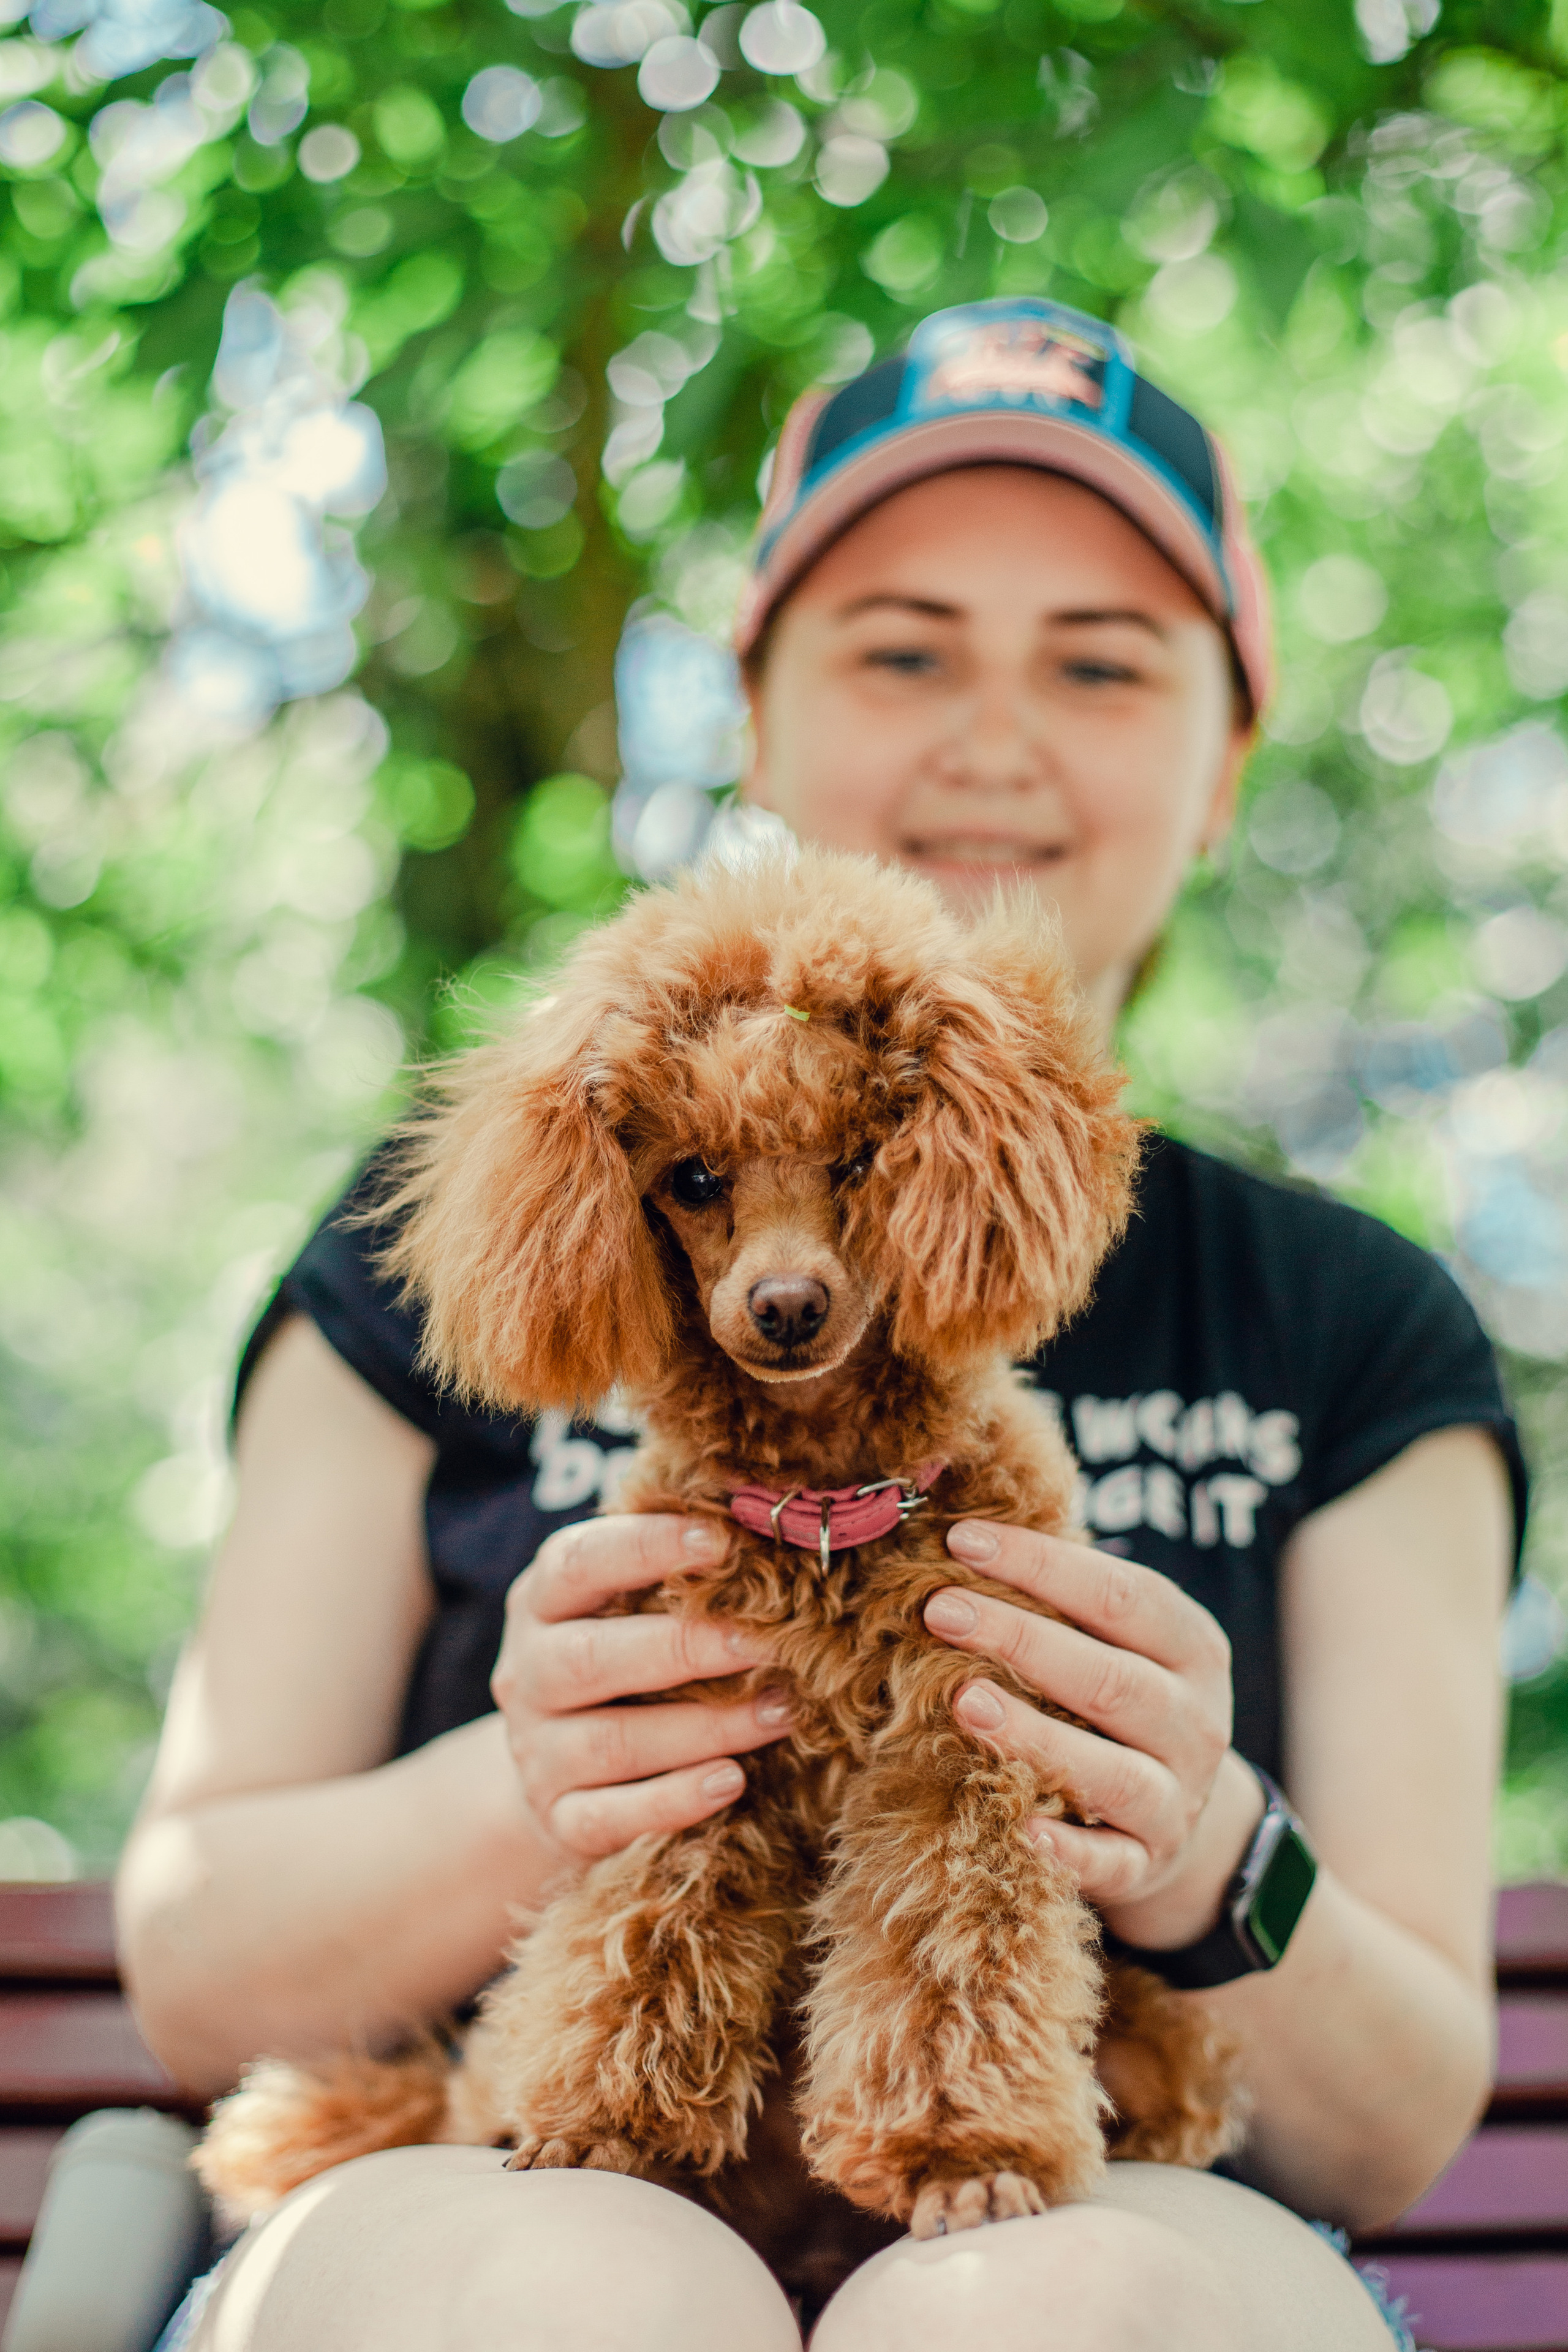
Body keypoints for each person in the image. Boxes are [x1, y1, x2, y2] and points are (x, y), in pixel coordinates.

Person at [117, 296, 1524, 2352]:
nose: (993, 732)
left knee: (1047, 2313)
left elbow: (1398, 2131)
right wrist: (562, 1769)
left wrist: (1204, 1839)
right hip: (514, 2186)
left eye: (1102, 663)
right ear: (757, 721)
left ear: (1229, 758)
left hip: (1124, 2195)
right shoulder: (418, 1262)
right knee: (581, 2295)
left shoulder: (1355, 1321)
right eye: (902, 647)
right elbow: (190, 1959)